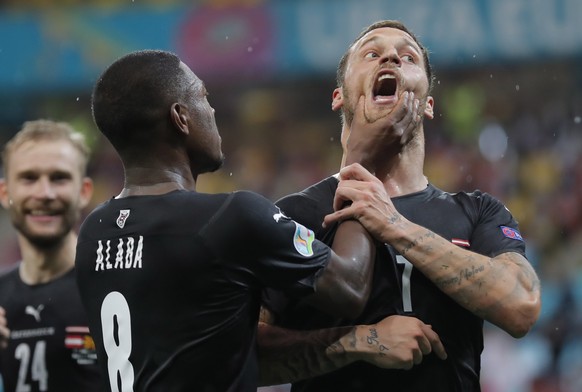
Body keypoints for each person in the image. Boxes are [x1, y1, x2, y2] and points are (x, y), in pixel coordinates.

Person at [74, 49, 446, 392]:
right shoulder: (227, 218)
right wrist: (360, 159)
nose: (213, 110)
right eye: (202, 96)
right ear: (180, 118)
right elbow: (348, 287)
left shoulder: (94, 232)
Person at [260, 20, 542, 391]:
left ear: (427, 105)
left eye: (407, 56)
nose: (391, 56)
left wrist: (395, 225)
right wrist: (362, 341)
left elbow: (521, 307)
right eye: (372, 53)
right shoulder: (294, 214)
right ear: (339, 96)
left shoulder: (477, 211)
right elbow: (244, 354)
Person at [0, 120, 102, 391]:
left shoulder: (113, 287)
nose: (44, 193)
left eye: (59, 178)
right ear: (5, 193)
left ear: (84, 192)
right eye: (29, 178)